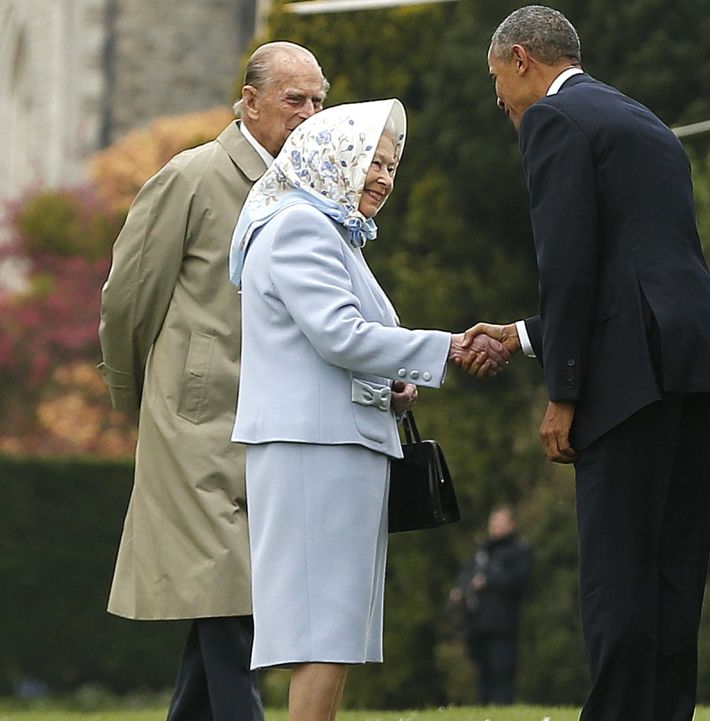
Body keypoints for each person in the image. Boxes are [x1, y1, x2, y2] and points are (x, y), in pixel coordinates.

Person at [464, 7, 710, 721]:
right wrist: (525, 335)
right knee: (671, 571)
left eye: (498, 80)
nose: (499, 100)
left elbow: (569, 268)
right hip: (697, 362)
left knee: (618, 573)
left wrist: (563, 392)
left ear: (524, 58)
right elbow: (633, 268)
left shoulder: (554, 122)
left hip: (631, 377)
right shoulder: (642, 120)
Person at [228, 99, 508, 721]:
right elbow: (341, 335)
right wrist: (448, 346)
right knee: (324, 625)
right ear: (331, 159)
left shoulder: (331, 231)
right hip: (314, 449)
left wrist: (391, 385)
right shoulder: (300, 227)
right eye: (371, 162)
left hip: (333, 444)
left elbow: (331, 351)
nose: (383, 176)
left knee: (336, 625)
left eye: (391, 165)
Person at [98, 41, 328, 721]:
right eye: (296, 99)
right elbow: (126, 299)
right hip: (199, 424)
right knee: (233, 601)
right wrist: (140, 399)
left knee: (232, 601)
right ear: (249, 101)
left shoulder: (315, 185)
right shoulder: (191, 177)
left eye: (319, 99)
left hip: (279, 419)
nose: (311, 113)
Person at [449, 506, 533, 705]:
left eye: (501, 523)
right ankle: (485, 710)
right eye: (493, 523)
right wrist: (460, 591)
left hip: (503, 624)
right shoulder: (483, 551)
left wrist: (489, 581)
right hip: (478, 624)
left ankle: (503, 709)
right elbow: (467, 575)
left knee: (502, 670)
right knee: (483, 672)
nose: (496, 528)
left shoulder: (518, 550)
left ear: (512, 525)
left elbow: (518, 580)